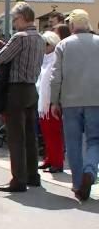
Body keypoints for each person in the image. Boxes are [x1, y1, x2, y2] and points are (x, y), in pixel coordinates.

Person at [0, 2, 45, 193]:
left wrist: (1, 48)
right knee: (31, 136)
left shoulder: (20, 37)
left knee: (16, 137)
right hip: (32, 88)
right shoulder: (39, 38)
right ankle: (33, 175)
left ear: (23, 17)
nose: (14, 23)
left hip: (16, 89)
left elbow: (0, 58)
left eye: (15, 19)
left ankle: (18, 180)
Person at [50, 9, 99, 201]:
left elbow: (56, 76)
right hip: (96, 100)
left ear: (71, 26)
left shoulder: (63, 45)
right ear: (88, 24)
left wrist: (55, 101)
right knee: (95, 140)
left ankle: (78, 183)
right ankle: (90, 170)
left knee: (73, 142)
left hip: (70, 102)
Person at [36, 31, 65, 175]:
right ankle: (49, 158)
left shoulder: (55, 58)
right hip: (43, 103)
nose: (43, 47)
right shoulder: (45, 58)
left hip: (51, 102)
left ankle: (57, 162)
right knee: (46, 133)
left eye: (45, 44)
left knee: (54, 134)